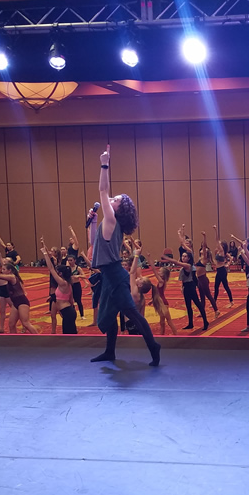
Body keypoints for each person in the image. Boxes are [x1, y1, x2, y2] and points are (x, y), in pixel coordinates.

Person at [89, 145, 160, 365]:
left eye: (117, 199)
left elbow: (103, 191)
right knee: (109, 314)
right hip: (109, 275)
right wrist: (92, 222)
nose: (112, 198)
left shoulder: (112, 220)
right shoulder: (107, 222)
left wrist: (104, 164)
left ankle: (154, 347)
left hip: (115, 276)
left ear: (119, 209)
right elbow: (93, 243)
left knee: (132, 314)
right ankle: (110, 352)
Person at [42, 246, 77, 334]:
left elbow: (51, 268)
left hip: (67, 312)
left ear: (60, 274)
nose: (56, 273)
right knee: (71, 335)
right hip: (69, 312)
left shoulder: (62, 283)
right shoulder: (68, 283)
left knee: (68, 336)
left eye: (58, 272)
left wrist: (45, 253)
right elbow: (71, 300)